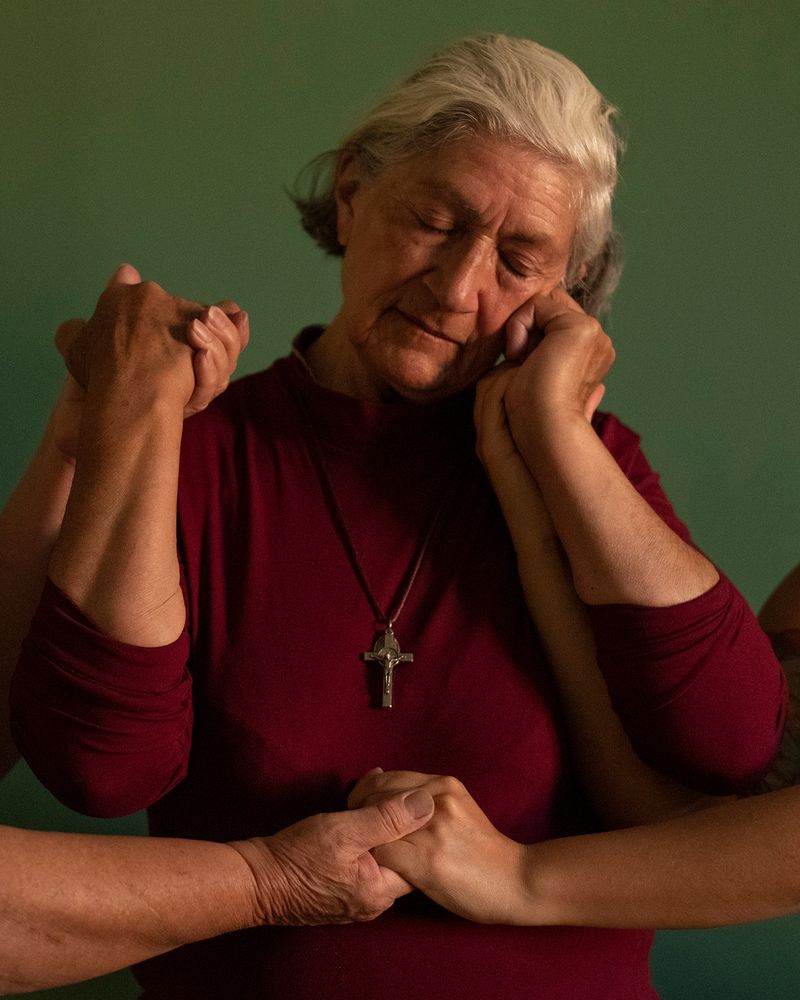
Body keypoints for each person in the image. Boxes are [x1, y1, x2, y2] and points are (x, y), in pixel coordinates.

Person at [8, 33, 787, 999]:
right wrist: (137, 429)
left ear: (564, 298)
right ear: (351, 193)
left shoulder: (580, 467)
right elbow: (101, 770)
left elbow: (734, 747)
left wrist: (557, 432)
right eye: (434, 219)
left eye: (518, 259)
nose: (459, 288)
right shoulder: (198, 449)